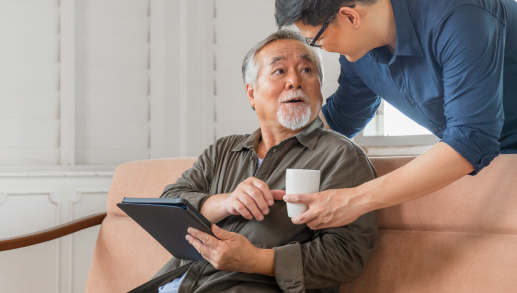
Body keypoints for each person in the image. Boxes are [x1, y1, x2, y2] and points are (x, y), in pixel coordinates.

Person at [274, 0, 517, 230]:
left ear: (350, 16)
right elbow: (340, 119)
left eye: (316, 39)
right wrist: (268, 151)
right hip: (496, 167)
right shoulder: (359, 54)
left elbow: (471, 139)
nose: (321, 49)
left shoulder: (457, 17)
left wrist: (354, 200)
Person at [129, 30, 377, 293]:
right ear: (251, 94)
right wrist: (226, 202)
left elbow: (347, 254)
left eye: (307, 70)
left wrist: (256, 261)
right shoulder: (224, 150)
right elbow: (170, 204)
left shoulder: (341, 156)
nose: (295, 80)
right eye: (279, 71)